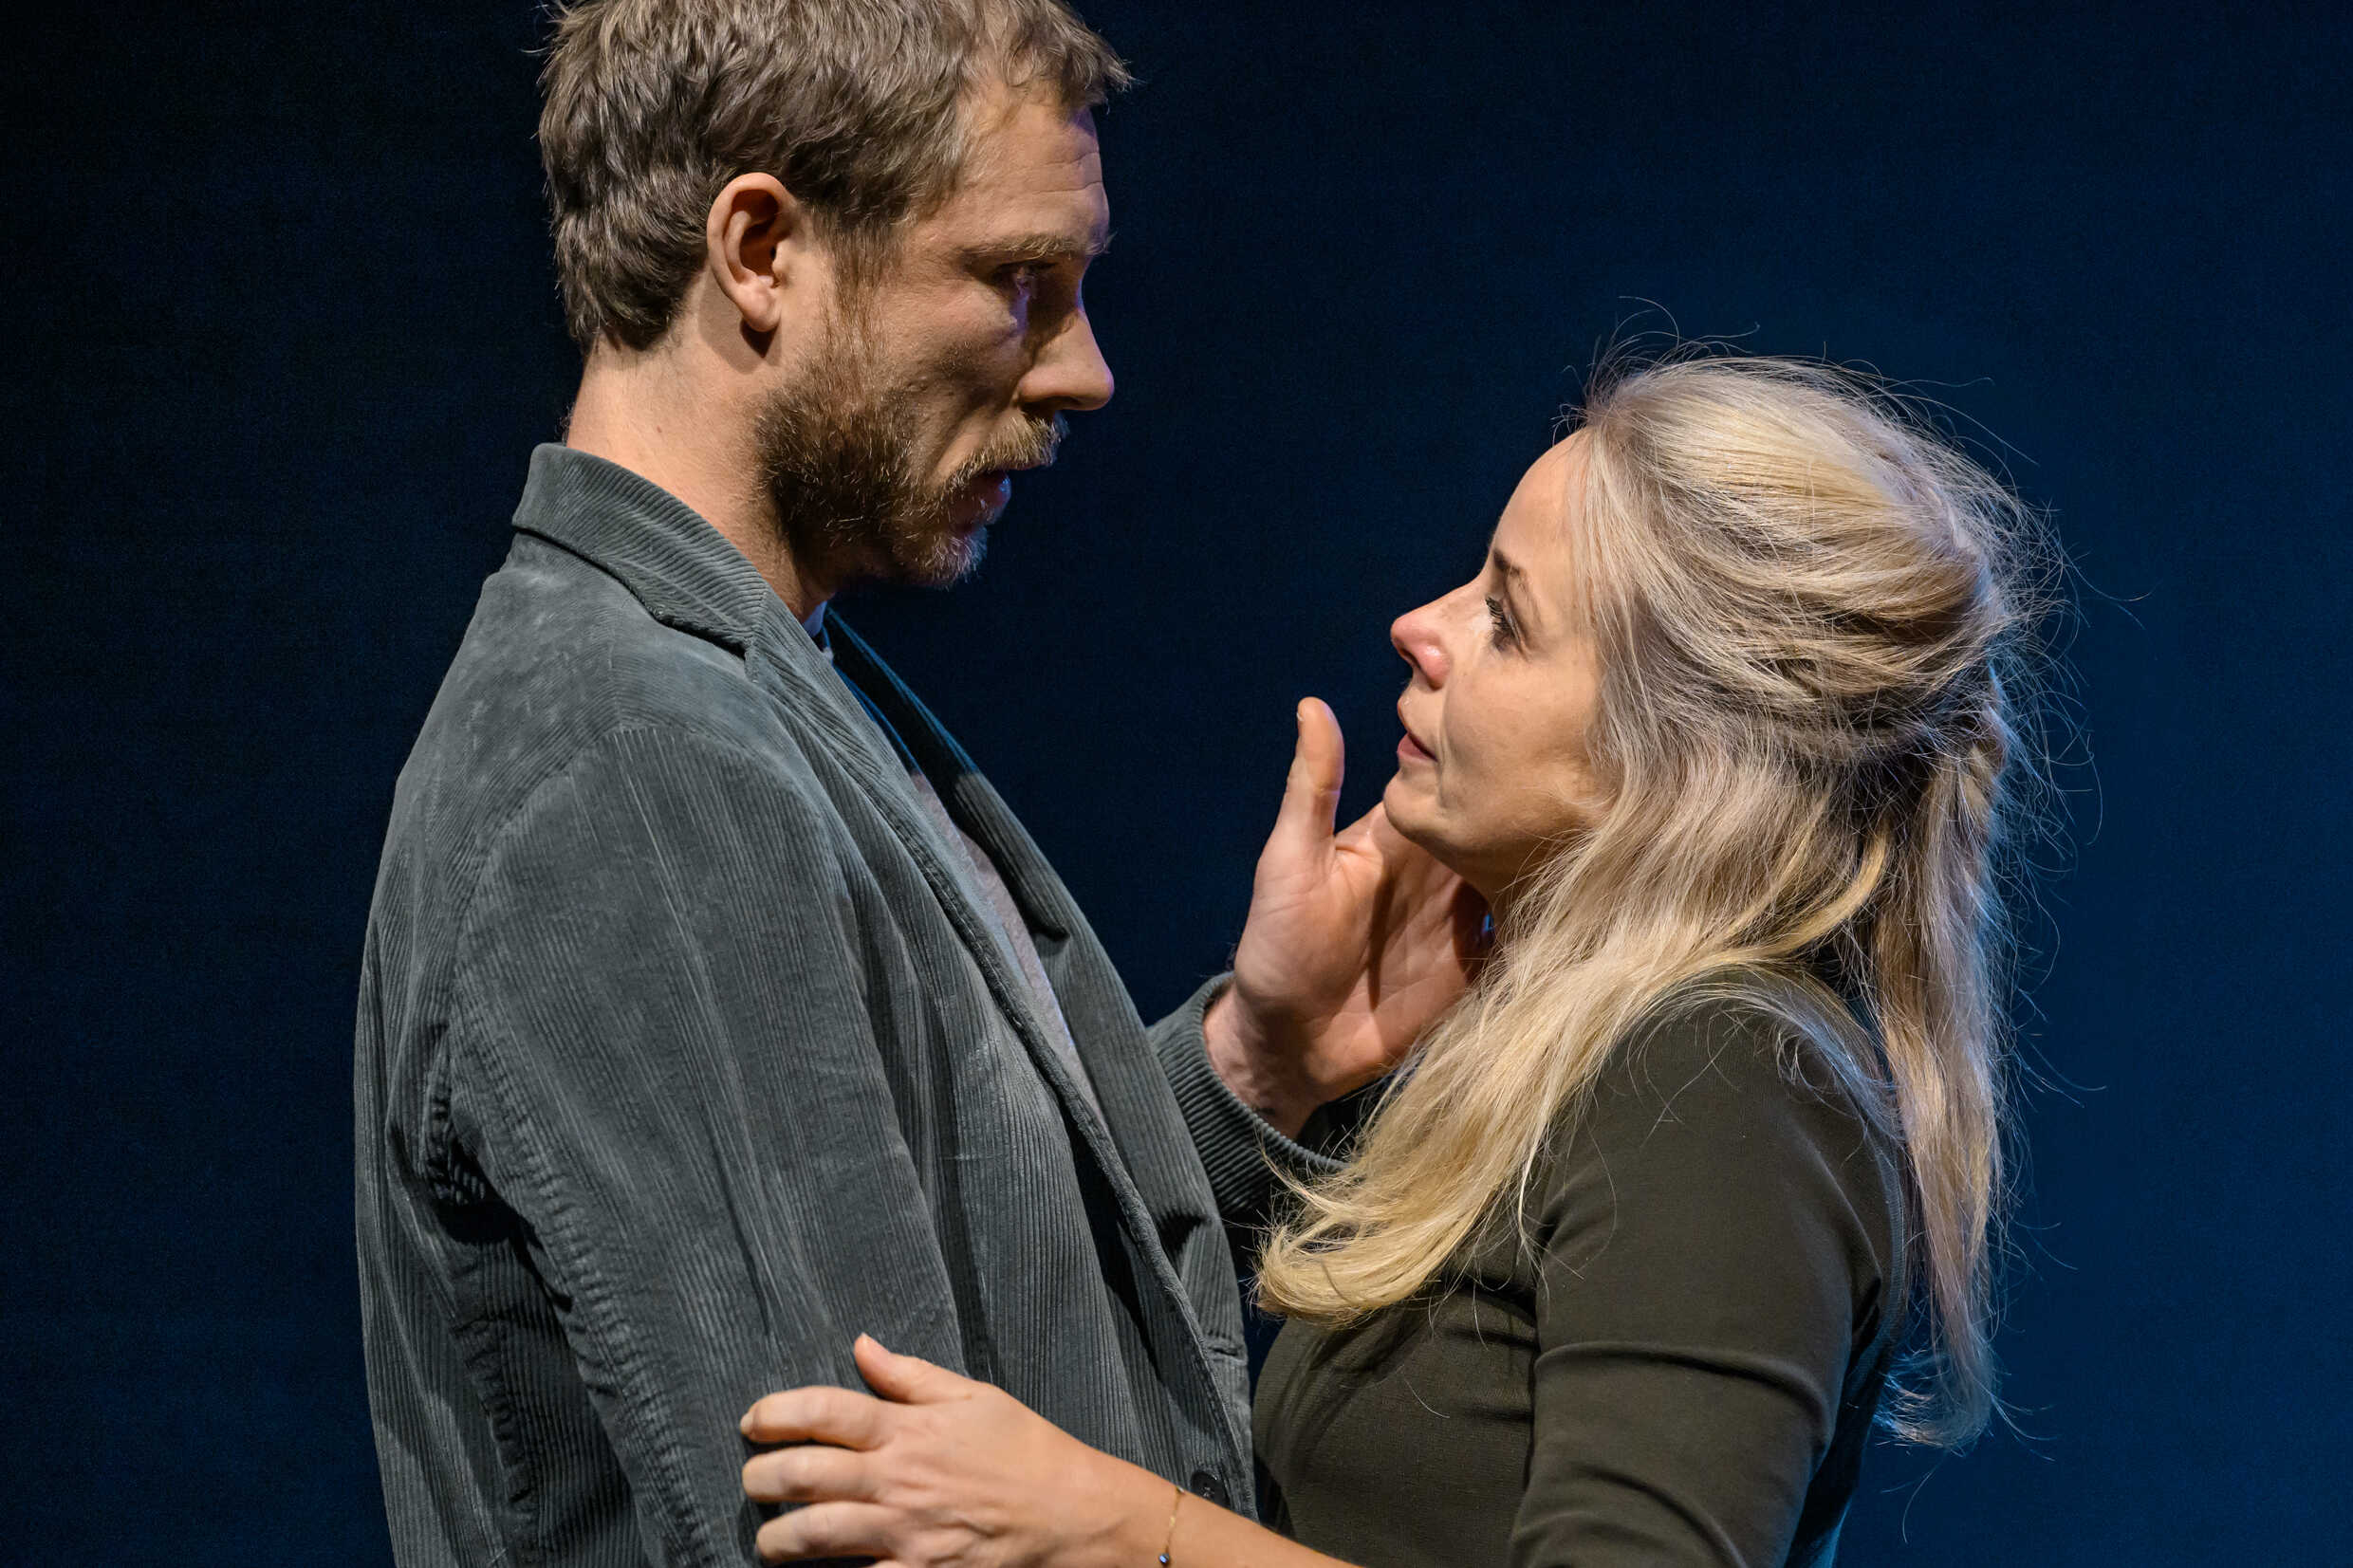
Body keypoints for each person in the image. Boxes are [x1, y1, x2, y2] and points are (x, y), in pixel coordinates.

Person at [352, 2, 1482, 1562]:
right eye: (1020, 283)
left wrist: (1253, 1064)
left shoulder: (743, 684)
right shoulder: (637, 767)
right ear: (760, 248)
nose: (1082, 372)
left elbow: (969, 1364)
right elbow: (883, 1520)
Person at [737, 354, 2053, 1568]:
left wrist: (1104, 1524)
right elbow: (1045, 1292)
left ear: (1679, 755)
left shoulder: (1725, 1086)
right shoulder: (1561, 1048)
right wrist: (1270, 1056)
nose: (1419, 626)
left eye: (1509, 620)